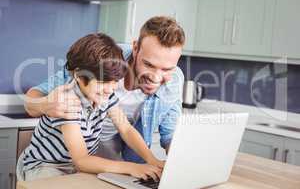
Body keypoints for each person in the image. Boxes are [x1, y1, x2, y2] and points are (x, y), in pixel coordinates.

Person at [24, 16, 185, 163]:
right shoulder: (102, 58)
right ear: (135, 48)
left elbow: (169, 136)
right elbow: (31, 100)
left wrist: (177, 167)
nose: (156, 77)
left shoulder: (175, 81)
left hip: (119, 151)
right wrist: (45, 104)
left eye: (167, 69)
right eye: (148, 64)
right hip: (74, 151)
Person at [17, 33, 164, 181]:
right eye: (102, 82)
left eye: (115, 81)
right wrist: (131, 167)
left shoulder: (106, 96)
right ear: (79, 76)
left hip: (76, 167)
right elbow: (81, 160)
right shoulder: (67, 101)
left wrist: (152, 160)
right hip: (46, 166)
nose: (110, 88)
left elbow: (126, 129)